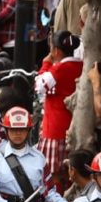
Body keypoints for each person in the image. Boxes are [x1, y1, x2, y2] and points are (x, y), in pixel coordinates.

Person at [35, 31, 82, 178]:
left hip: (55, 129)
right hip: (75, 127)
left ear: (56, 50)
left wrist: (46, 64)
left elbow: (39, 86)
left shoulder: (59, 69)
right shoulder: (81, 65)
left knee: (52, 176)